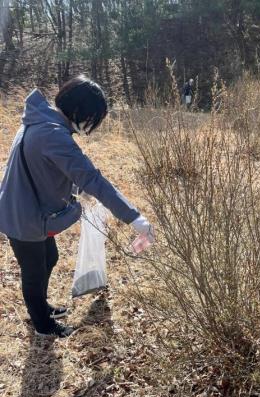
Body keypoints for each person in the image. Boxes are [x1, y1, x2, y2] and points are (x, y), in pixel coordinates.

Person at [0, 75, 154, 338]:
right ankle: (42, 325)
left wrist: (76, 189)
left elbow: (46, 168)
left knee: (50, 258)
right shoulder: (53, 134)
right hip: (23, 217)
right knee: (34, 271)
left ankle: (41, 308)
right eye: (93, 116)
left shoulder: (40, 120)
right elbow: (92, 178)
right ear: (81, 111)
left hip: (22, 208)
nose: (90, 124)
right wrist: (134, 218)